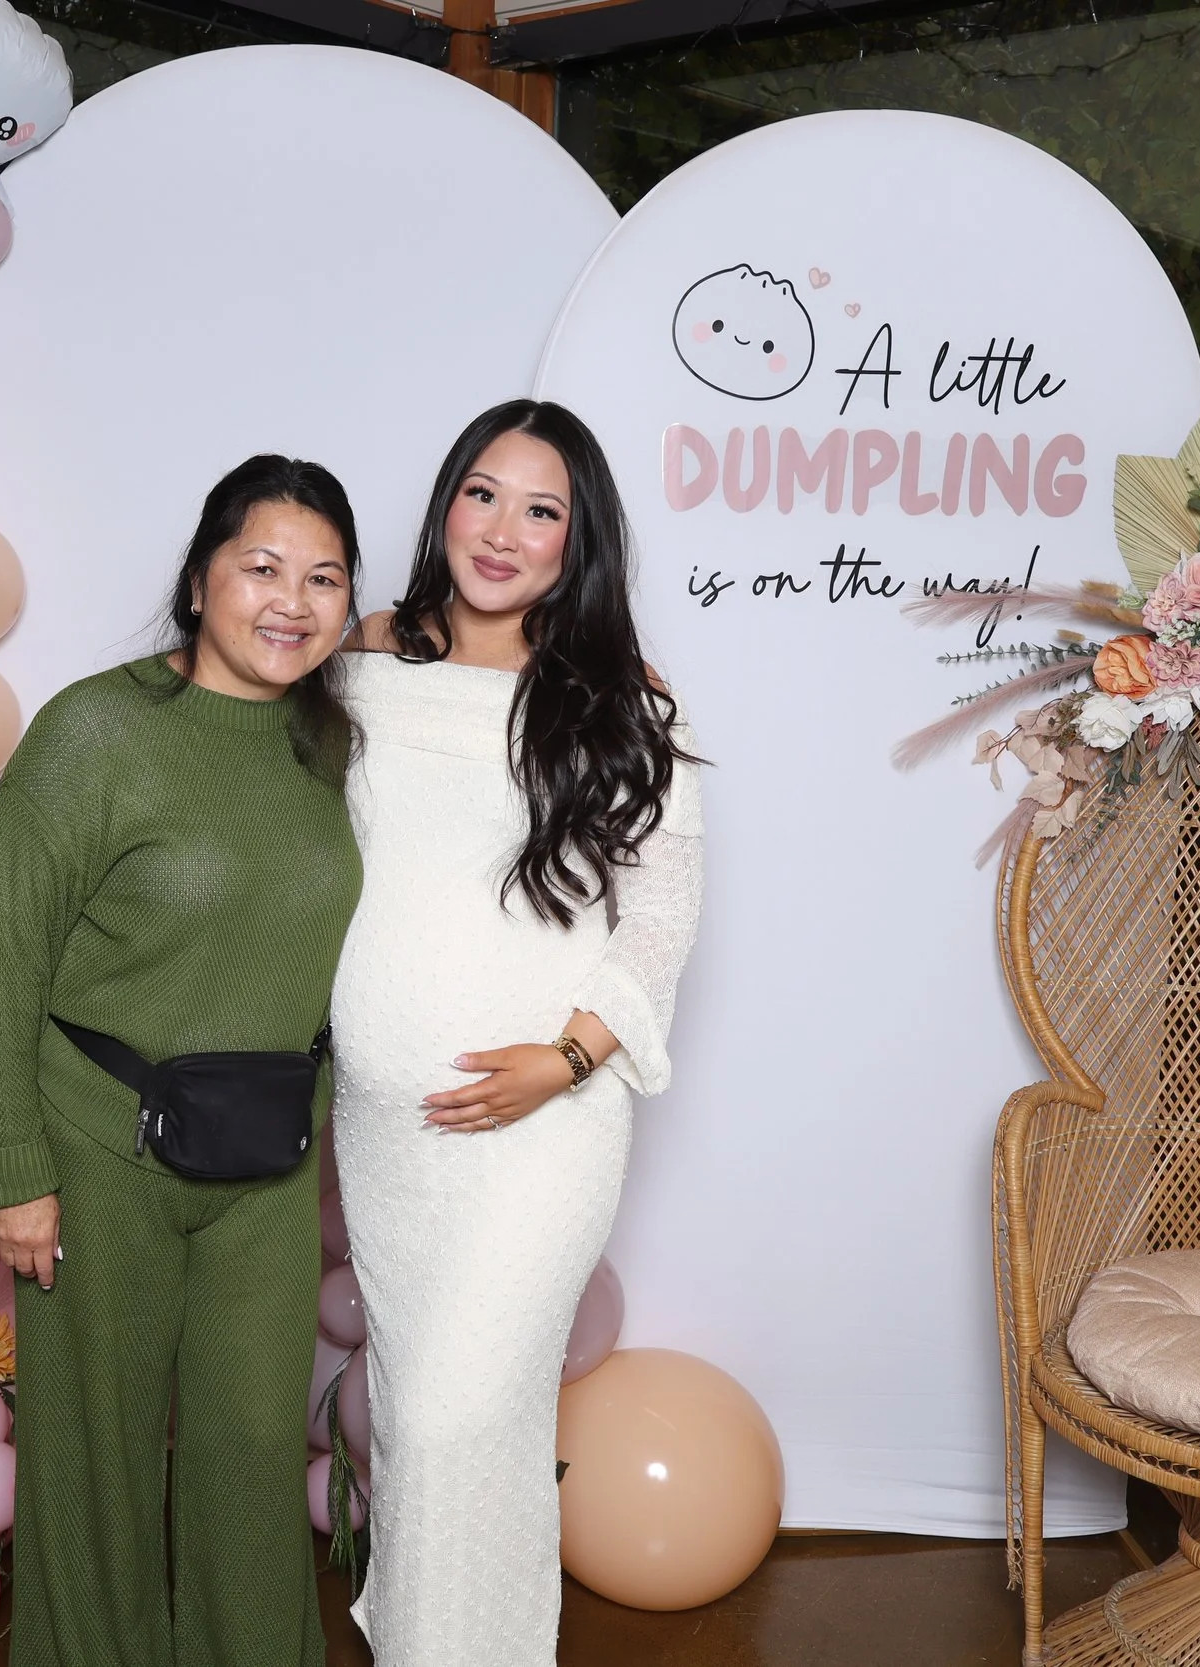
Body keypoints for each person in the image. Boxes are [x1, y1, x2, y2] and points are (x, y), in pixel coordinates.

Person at [0, 454, 364, 1667]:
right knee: (98, 1455)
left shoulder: (335, 744)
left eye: (324, 579)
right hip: (97, 1152)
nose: (290, 602)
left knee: (248, 1452)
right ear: (199, 582)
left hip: (268, 1165)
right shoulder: (94, 729)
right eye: (261, 569)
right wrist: (12, 1169)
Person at [333, 399, 704, 1663]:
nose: (504, 531)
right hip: (388, 1133)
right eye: (482, 493)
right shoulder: (361, 657)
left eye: (541, 509)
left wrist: (570, 1055)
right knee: (432, 1422)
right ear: (446, 503)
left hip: (548, 1121)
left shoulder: (621, 697)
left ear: (575, 539)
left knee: (449, 1414)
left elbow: (661, 912)